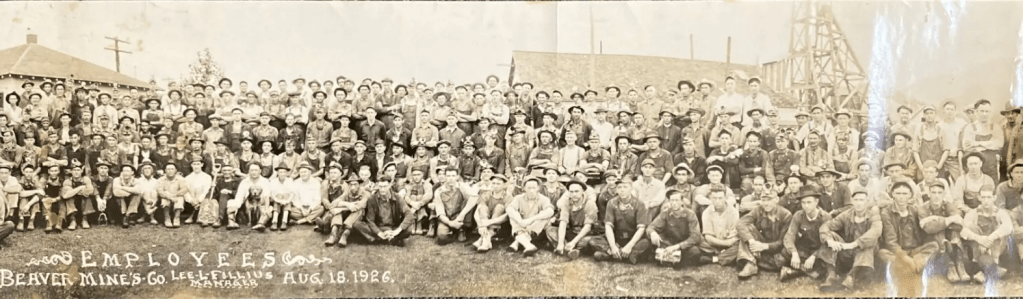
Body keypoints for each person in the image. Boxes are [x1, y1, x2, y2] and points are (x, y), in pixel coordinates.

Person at [878, 182, 940, 294]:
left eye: (905, 193)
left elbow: (925, 230)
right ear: (893, 194)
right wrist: (907, 259)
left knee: (934, 245)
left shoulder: (915, 210)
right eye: (898, 193)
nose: (901, 197)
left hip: (915, 251)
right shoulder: (886, 213)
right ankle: (915, 267)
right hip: (897, 252)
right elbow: (891, 242)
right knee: (882, 253)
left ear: (910, 195)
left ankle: (910, 266)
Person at [817, 188, 883, 292]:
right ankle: (831, 275)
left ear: (867, 201)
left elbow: (876, 231)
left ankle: (851, 277)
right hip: (848, 253)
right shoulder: (846, 214)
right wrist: (829, 240)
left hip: (866, 255)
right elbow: (826, 225)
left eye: (862, 200)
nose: (858, 203)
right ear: (852, 201)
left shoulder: (873, 215)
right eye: (856, 200)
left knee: (869, 243)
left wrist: (855, 244)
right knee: (830, 235)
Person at [960, 185, 1013, 284]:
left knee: (1000, 229)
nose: (986, 200)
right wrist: (979, 239)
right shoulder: (973, 213)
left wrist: (990, 238)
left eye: (989, 197)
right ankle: (992, 270)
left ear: (994, 198)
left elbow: (1008, 227)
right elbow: (963, 232)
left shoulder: (1000, 212)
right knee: (972, 227)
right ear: (979, 198)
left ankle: (985, 270)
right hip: (978, 249)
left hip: (995, 249)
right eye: (983, 197)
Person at [593, 177, 652, 264]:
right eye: (619, 187)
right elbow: (608, 226)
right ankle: (622, 254)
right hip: (617, 239)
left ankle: (612, 255)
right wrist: (613, 246)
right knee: (594, 240)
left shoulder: (639, 204)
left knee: (646, 242)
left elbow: (641, 228)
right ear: (616, 189)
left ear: (631, 189)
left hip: (632, 239)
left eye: (625, 187)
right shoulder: (611, 203)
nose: (622, 190)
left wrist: (629, 246)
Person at [780, 185, 832, 281]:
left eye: (809, 202)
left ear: (816, 202)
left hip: (819, 252)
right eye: (803, 203)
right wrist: (794, 253)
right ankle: (810, 271)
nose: (806, 206)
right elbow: (789, 236)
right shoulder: (798, 215)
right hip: (803, 252)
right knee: (784, 253)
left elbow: (827, 242)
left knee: (826, 260)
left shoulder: (825, 217)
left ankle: (794, 272)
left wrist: (814, 256)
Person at [735, 191, 792, 279]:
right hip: (758, 244)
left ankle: (751, 259)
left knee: (782, 260)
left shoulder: (786, 215)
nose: (766, 203)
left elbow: (782, 242)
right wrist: (752, 242)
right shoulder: (758, 209)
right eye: (763, 200)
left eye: (769, 200)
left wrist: (763, 246)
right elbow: (740, 223)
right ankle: (751, 263)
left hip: (775, 248)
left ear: (776, 200)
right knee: (748, 226)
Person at [919, 181, 968, 283]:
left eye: (939, 193)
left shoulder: (948, 205)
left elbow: (959, 222)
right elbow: (929, 228)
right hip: (931, 242)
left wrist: (934, 218)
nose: (937, 196)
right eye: (933, 192)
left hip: (949, 239)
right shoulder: (923, 208)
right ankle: (950, 266)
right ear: (928, 194)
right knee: (937, 232)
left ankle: (960, 264)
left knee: (954, 230)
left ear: (944, 194)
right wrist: (948, 220)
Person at [648, 190, 703, 268]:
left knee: (695, 252)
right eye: (672, 200)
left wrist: (677, 247)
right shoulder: (666, 212)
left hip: (685, 244)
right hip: (670, 242)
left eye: (677, 200)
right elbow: (651, 227)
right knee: (652, 243)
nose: (674, 203)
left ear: (682, 202)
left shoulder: (690, 214)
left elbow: (695, 237)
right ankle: (671, 259)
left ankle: (673, 261)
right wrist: (652, 233)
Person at [353, 176, 412, 247]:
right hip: (379, 226)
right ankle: (391, 239)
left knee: (408, 230)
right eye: (380, 186)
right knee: (357, 225)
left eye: (385, 186)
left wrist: (397, 231)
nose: (382, 189)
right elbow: (370, 220)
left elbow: (409, 214)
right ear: (377, 185)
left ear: (390, 185)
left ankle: (380, 239)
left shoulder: (397, 198)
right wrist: (379, 233)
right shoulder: (372, 199)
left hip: (393, 227)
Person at [505, 176, 555, 256]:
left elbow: (550, 211)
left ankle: (518, 241)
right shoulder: (518, 198)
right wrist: (520, 221)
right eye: (529, 188)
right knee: (513, 215)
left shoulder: (543, 199)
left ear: (538, 188)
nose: (531, 191)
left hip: (535, 231)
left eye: (534, 188)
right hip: (521, 227)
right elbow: (509, 209)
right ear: (524, 188)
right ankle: (528, 245)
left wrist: (531, 220)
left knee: (544, 217)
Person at [432, 168, 478, 245]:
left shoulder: (462, 186)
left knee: (470, 199)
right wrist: (450, 223)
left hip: (462, 216)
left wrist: (461, 216)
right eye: (448, 176)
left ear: (457, 177)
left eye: (453, 176)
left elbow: (475, 197)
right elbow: (440, 213)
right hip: (447, 218)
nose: (451, 178)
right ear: (445, 177)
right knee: (442, 237)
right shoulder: (439, 191)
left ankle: (462, 229)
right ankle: (453, 231)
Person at [323, 173, 370, 247]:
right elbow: (334, 203)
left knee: (358, 211)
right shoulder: (347, 193)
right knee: (337, 211)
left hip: (360, 218)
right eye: (351, 185)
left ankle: (345, 235)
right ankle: (333, 234)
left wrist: (342, 208)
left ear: (359, 185)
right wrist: (347, 204)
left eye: (355, 184)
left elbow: (357, 206)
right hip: (347, 215)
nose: (353, 187)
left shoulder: (365, 194)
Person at [474, 173, 513, 252]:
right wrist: (481, 224)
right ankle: (486, 239)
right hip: (485, 222)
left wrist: (488, 222)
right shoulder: (485, 194)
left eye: (498, 184)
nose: (495, 186)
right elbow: (477, 211)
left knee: (499, 207)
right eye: (494, 183)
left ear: (504, 185)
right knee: (483, 207)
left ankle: (484, 239)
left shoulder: (508, 197)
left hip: (501, 226)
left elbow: (507, 215)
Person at [156, 163, 191, 228]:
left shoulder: (180, 179)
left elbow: (185, 189)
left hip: (176, 195)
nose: (170, 171)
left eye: (172, 169)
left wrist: (175, 195)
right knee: (164, 198)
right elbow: (160, 191)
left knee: (180, 198)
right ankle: (167, 218)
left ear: (175, 170)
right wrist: (169, 197)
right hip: (166, 196)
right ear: (165, 171)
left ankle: (176, 218)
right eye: (168, 169)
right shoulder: (161, 179)